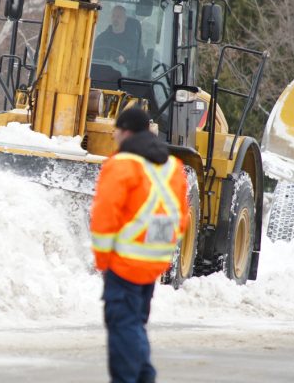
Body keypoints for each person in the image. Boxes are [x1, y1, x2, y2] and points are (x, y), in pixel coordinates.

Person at [90, 107, 189, 383]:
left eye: (115, 132)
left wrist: (103, 261)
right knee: (134, 325)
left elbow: (104, 216)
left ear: (125, 132)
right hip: (153, 261)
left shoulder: (120, 165)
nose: (114, 137)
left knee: (123, 326)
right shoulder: (173, 166)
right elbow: (182, 215)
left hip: (124, 263)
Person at [94, 5, 142, 70]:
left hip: (125, 77)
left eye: (119, 17)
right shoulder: (102, 38)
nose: (115, 19)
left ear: (125, 19)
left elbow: (141, 62)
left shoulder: (134, 41)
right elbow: (92, 57)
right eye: (113, 16)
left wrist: (126, 61)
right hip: (101, 75)